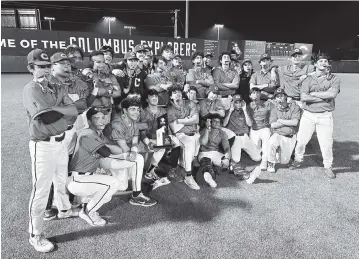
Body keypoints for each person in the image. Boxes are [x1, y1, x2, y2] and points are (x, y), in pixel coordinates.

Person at [23, 49, 78, 253]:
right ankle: (35, 234)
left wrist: (58, 110)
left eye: (47, 66)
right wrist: (62, 111)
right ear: (31, 68)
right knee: (41, 190)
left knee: (61, 179)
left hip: (61, 142)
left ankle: (64, 209)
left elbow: (74, 111)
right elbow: (46, 117)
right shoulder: (30, 90)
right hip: (43, 145)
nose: (45, 70)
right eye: (41, 66)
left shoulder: (57, 85)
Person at [291, 54, 340, 179]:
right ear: (315, 64)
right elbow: (304, 97)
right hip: (308, 115)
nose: (323, 62)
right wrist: (324, 97)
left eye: (325, 61)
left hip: (325, 116)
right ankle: (297, 159)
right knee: (301, 140)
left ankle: (328, 166)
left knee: (326, 143)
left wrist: (314, 95)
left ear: (328, 64)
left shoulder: (334, 78)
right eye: (320, 61)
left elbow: (332, 94)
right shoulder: (308, 79)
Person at [103, 95, 158, 203]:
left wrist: (133, 150)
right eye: (132, 109)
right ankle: (136, 195)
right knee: (138, 159)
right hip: (107, 157)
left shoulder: (134, 122)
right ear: (124, 110)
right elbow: (124, 148)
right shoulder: (117, 124)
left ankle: (109, 178)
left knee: (123, 186)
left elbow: (135, 140)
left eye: (138, 110)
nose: (136, 112)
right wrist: (133, 152)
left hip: (119, 154)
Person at [139, 89, 181, 189]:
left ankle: (172, 169)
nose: (154, 98)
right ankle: (149, 171)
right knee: (162, 145)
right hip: (146, 139)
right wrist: (149, 142)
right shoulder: (143, 113)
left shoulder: (162, 111)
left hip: (158, 137)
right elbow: (142, 134)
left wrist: (162, 140)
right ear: (147, 99)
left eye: (156, 96)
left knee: (175, 142)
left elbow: (163, 129)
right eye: (151, 96)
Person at [167, 85, 201, 190]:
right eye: (174, 93)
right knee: (188, 144)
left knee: (191, 152)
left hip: (194, 133)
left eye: (178, 92)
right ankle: (188, 176)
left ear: (182, 94)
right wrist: (188, 119)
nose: (177, 94)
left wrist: (179, 120)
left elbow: (196, 120)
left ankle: (182, 166)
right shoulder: (170, 110)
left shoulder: (190, 104)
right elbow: (174, 128)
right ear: (171, 97)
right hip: (180, 135)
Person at [222, 94, 261, 177]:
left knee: (257, 158)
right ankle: (236, 167)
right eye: (236, 102)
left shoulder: (246, 110)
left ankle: (239, 164)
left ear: (242, 103)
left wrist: (244, 110)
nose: (238, 104)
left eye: (240, 102)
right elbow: (224, 124)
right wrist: (230, 111)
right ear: (233, 103)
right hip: (235, 137)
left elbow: (250, 124)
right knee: (236, 159)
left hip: (244, 137)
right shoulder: (229, 110)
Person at [267, 89, 301, 173]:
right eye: (277, 97)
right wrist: (287, 122)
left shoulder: (294, 107)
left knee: (284, 161)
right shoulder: (274, 109)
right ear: (275, 99)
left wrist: (280, 121)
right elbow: (272, 125)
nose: (280, 98)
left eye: (281, 96)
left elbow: (295, 122)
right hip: (278, 134)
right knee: (271, 142)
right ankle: (271, 162)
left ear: (285, 96)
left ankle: (280, 153)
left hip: (290, 136)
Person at [198, 114, 231, 188]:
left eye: (218, 122)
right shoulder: (203, 130)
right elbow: (203, 142)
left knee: (232, 165)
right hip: (204, 153)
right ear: (210, 122)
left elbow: (227, 148)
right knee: (206, 166)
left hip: (215, 153)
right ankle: (210, 178)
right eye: (214, 121)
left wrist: (227, 158)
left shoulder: (222, 133)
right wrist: (207, 128)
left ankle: (248, 176)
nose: (217, 123)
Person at [247, 87, 274, 170]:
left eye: (258, 92)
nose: (257, 94)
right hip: (254, 129)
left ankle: (265, 161)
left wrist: (272, 127)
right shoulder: (248, 106)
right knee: (255, 157)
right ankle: (263, 155)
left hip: (264, 128)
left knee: (266, 143)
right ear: (250, 96)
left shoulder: (267, 103)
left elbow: (274, 114)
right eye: (254, 93)